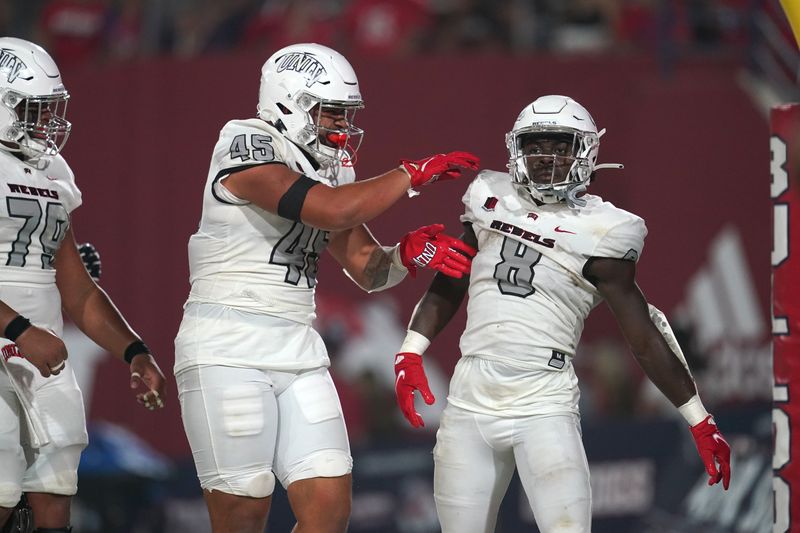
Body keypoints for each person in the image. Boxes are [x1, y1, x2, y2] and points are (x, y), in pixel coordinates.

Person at [173, 42, 478, 533]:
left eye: (346, 114)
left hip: (296, 343)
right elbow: (330, 210)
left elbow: (365, 267)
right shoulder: (245, 141)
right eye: (331, 112)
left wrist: (406, 255)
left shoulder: (332, 167)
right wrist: (410, 175)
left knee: (328, 510)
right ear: (288, 102)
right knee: (244, 515)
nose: (341, 125)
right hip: (225, 344)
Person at [393, 95, 732, 533]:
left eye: (560, 145)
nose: (546, 157)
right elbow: (454, 276)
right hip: (470, 397)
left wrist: (699, 420)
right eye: (535, 145)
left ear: (585, 152)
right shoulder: (488, 196)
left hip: (544, 401)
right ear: (517, 149)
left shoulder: (607, 229)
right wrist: (411, 349)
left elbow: (644, 334)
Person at [0, 37, 167, 533]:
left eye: (51, 109)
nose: (47, 123)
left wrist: (135, 352)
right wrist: (20, 329)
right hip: (22, 338)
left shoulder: (53, 171)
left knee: (54, 497)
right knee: (4, 480)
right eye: (34, 109)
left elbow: (79, 289)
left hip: (40, 351)